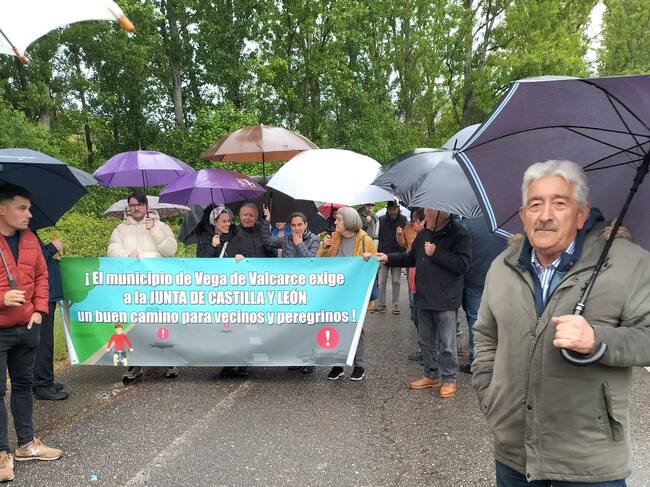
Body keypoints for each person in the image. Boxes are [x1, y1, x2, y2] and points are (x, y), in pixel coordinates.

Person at [472, 160, 650, 485]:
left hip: (589, 460)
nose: (545, 215)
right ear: (523, 215)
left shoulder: (628, 263)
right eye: (535, 204)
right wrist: (490, 395)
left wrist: (598, 340)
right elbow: (486, 335)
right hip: (514, 454)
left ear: (581, 214)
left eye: (559, 203)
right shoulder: (502, 266)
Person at [0, 184, 62, 483]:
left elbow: (41, 275)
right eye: (22, 208)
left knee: (24, 386)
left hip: (27, 328)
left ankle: (26, 444)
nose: (29, 214)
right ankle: (1, 453)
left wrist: (39, 311)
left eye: (29, 208)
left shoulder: (30, 239)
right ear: (2, 209)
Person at [377, 208, 471, 398]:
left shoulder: (460, 234)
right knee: (426, 341)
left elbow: (462, 265)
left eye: (428, 212)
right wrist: (388, 258)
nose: (424, 216)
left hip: (445, 299)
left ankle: (449, 378)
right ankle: (431, 374)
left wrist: (436, 252)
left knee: (447, 343)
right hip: (424, 296)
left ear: (440, 214)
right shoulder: (424, 233)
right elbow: (410, 258)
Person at [107, 191, 179, 382]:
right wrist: (126, 255)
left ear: (147, 206)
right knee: (134, 324)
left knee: (160, 322)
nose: (136, 208)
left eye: (139, 204)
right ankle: (135, 363)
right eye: (132, 205)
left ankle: (168, 360)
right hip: (132, 286)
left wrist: (154, 230)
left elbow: (170, 250)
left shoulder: (161, 226)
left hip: (157, 284)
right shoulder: (120, 230)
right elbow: (112, 250)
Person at [317, 207, 376, 381]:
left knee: (357, 328)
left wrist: (370, 259)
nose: (335, 222)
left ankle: (359, 365)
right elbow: (319, 263)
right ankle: (338, 364)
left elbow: (376, 263)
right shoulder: (333, 238)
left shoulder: (365, 240)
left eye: (339, 219)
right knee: (337, 326)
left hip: (357, 292)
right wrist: (324, 247)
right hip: (336, 293)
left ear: (349, 222)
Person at [262, 207, 321, 374]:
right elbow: (267, 240)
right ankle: (296, 357)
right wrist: (267, 220)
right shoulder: (286, 239)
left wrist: (299, 243)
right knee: (293, 324)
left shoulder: (314, 239)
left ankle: (309, 360)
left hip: (307, 288)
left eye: (300, 224)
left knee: (307, 325)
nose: (297, 228)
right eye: (294, 225)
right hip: (290, 288)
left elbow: (310, 260)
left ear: (306, 225)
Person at [457, 217, 506, 374]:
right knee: (498, 319)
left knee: (476, 321)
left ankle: (476, 360)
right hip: (499, 279)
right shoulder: (503, 226)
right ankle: (497, 358)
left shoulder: (468, 226)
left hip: (475, 279)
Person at [32, 235, 68, 400]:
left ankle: (40, 381)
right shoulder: (23, 234)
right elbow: (35, 261)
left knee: (41, 341)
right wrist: (52, 248)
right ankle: (43, 385)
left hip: (46, 294)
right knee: (44, 342)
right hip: (42, 296)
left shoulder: (28, 233)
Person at [396, 208, 425, 363]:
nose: (413, 224)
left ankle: (429, 351)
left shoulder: (430, 236)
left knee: (425, 315)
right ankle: (424, 348)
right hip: (411, 267)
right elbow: (402, 245)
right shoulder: (408, 228)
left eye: (416, 221)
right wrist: (400, 235)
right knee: (415, 311)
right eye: (412, 221)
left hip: (425, 281)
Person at [376, 201, 407, 314]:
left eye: (394, 209)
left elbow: (405, 238)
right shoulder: (381, 219)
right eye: (390, 209)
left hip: (398, 254)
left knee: (396, 281)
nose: (392, 211)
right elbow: (376, 236)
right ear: (387, 209)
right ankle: (381, 304)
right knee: (382, 281)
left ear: (398, 209)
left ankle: (395, 305)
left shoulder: (404, 220)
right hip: (383, 253)